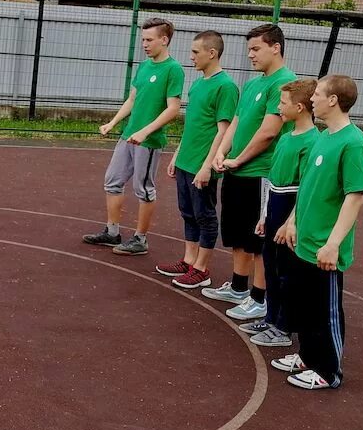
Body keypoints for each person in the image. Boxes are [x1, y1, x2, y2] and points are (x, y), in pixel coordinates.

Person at [271, 75, 363, 389]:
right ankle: (308, 356)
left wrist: (333, 244)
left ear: (333, 100)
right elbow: (309, 189)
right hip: (305, 240)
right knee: (306, 306)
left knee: (325, 312)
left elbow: (354, 198)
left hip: (324, 247)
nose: (312, 98)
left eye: (318, 94)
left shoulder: (354, 144)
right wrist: (293, 222)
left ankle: (329, 371)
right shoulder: (324, 136)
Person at [202, 23, 296, 318]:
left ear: (275, 47)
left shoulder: (284, 83)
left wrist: (239, 158)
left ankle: (259, 298)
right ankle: (239, 287)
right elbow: (238, 122)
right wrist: (221, 152)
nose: (251, 56)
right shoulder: (253, 83)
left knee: (258, 240)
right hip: (237, 170)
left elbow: (269, 131)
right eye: (249, 50)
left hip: (261, 173)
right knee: (237, 232)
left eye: (256, 49)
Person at [82, 18, 184, 256]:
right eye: (143, 40)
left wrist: (145, 131)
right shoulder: (144, 66)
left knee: (144, 189)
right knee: (112, 181)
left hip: (148, 142)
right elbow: (132, 99)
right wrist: (113, 122)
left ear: (164, 40)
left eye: (149, 40)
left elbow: (173, 108)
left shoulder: (173, 69)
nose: (145, 45)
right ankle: (112, 231)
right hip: (128, 136)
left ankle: (140, 239)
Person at [239, 78, 318, 344]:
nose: (279, 108)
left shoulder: (312, 142)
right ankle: (271, 317)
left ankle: (284, 328)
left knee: (286, 271)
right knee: (271, 266)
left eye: (283, 104)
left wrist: (291, 222)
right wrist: (263, 215)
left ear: (300, 107)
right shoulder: (286, 138)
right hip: (274, 205)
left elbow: (306, 186)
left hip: (290, 209)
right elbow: (272, 180)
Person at [157, 30, 238, 288]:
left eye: (195, 52)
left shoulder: (225, 86)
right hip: (186, 161)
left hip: (202, 165)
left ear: (211, 53)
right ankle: (189, 260)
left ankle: (202, 270)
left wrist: (206, 166)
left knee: (204, 216)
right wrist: (177, 155)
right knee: (187, 213)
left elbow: (223, 131)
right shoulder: (198, 83)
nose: (191, 57)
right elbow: (193, 125)